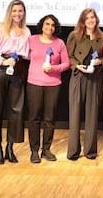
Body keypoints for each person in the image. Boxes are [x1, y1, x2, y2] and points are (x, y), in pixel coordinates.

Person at [0, 0, 31, 164]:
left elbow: (28, 53)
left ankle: (10, 148)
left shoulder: (26, 31)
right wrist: (2, 61)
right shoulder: (0, 29)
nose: (17, 14)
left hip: (18, 70)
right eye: (14, 11)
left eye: (20, 11)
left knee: (17, 111)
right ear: (9, 12)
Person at [26, 14, 70, 163]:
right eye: (47, 24)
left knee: (49, 119)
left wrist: (54, 68)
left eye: (52, 25)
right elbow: (22, 55)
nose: (49, 27)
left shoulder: (59, 43)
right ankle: (34, 151)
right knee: (33, 118)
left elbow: (66, 64)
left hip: (53, 84)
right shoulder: (31, 40)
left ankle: (46, 149)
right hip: (34, 83)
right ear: (42, 25)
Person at [66, 8, 103, 161]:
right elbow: (69, 56)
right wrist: (76, 65)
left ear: (96, 19)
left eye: (93, 17)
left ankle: (90, 151)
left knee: (92, 115)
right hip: (78, 77)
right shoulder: (74, 36)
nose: (90, 20)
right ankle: (73, 152)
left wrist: (100, 61)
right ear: (82, 20)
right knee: (75, 115)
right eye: (87, 17)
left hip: (95, 78)